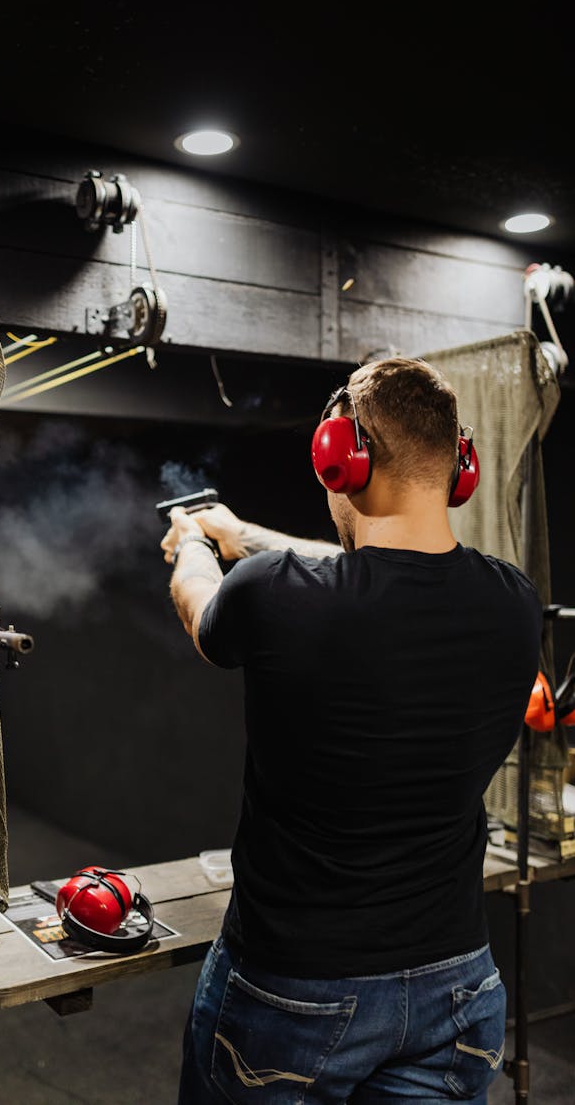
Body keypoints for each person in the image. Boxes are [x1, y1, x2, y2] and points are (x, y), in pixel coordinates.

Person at [159, 356, 542, 1104]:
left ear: (341, 457)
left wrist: (200, 545)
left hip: (293, 992)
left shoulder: (271, 595)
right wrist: (242, 531)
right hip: (458, 987)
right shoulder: (513, 602)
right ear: (458, 465)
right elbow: (387, 578)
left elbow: (201, 606)